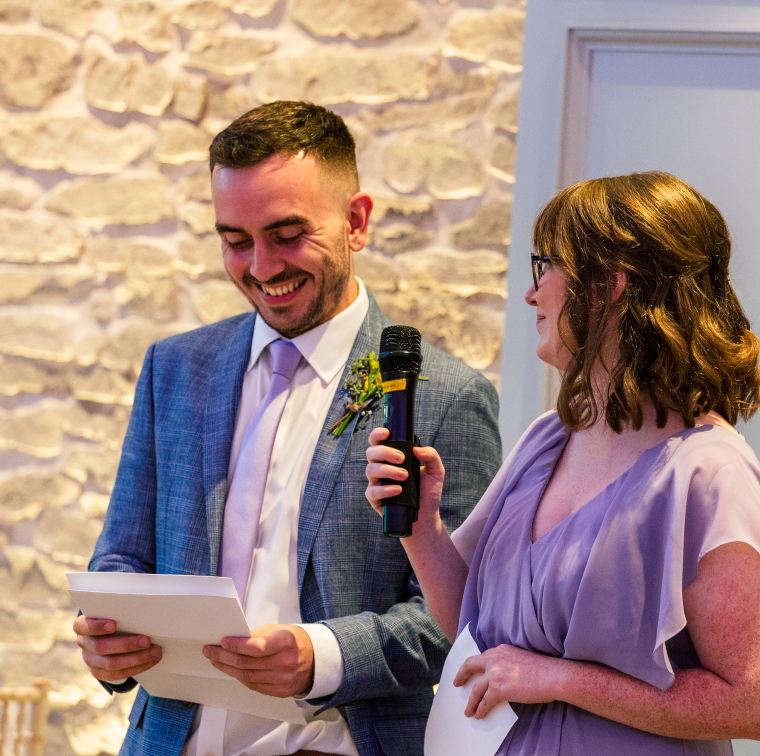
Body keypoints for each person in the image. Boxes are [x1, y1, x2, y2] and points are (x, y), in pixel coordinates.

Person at [74, 101, 502, 756]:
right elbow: (122, 556)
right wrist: (110, 639)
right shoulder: (175, 369)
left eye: (287, 234)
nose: (262, 267)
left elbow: (465, 619)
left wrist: (322, 656)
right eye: (235, 241)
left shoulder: (444, 397)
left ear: (356, 221)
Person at [366, 171, 760, 755]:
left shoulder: (708, 474)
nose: (531, 294)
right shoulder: (547, 440)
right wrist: (422, 526)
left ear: (610, 283)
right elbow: (476, 638)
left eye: (546, 266)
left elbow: (753, 703)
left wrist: (561, 680)